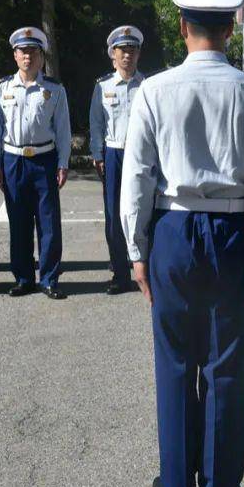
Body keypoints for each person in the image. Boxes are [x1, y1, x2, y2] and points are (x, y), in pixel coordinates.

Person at [121, 0, 244, 487]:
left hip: (172, 228)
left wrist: (136, 250)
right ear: (231, 27)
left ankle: (178, 485)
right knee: (225, 363)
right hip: (231, 230)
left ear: (183, 26)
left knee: (174, 361)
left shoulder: (154, 90)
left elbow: (136, 177)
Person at [0, 27, 72, 300]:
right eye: (23, 52)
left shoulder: (54, 89)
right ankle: (24, 278)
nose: (28, 57)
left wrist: (63, 163)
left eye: (33, 52)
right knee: (19, 222)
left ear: (41, 57)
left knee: (48, 223)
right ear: (15, 55)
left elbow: (62, 129)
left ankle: (49, 278)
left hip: (44, 159)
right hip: (13, 160)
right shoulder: (2, 88)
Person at [89, 25, 145, 295]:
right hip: (113, 154)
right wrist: (97, 155)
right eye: (123, 50)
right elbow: (96, 123)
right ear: (113, 54)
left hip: (141, 156)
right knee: (114, 217)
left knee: (142, 214)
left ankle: (146, 271)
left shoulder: (147, 86)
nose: (127, 55)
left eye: (132, 50)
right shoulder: (103, 86)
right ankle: (120, 275)